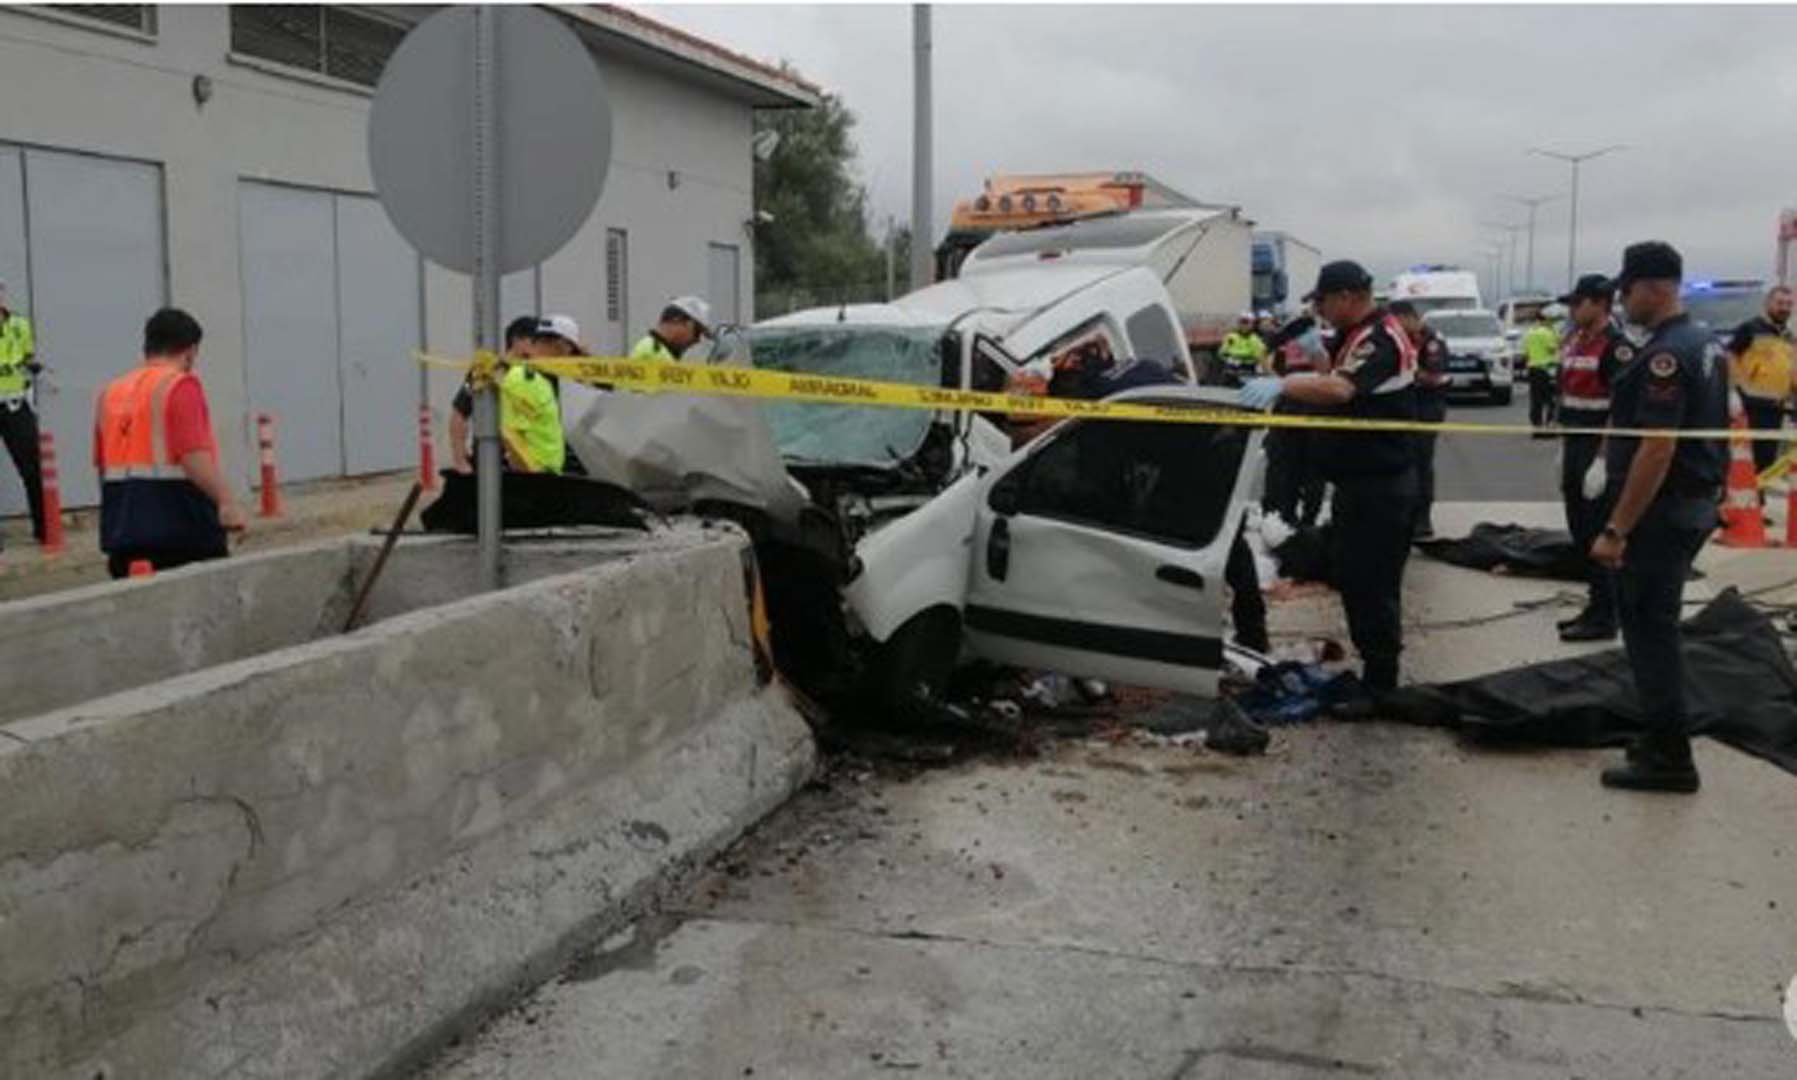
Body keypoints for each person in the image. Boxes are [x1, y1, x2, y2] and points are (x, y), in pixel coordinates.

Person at [1238, 260, 1419, 698]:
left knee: (1372, 586)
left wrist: (1284, 385)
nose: (1319, 310)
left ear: (1346, 297)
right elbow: (1335, 377)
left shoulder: (1381, 338)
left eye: (1322, 301)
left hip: (1381, 487)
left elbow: (1341, 391)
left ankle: (1381, 687)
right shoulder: (1355, 336)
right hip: (1359, 485)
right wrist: (1313, 356)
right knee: (1356, 579)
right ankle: (1375, 676)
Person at [1591, 241, 1728, 793]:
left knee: (1650, 632)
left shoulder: (1665, 355)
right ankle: (1657, 736)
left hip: (1661, 514)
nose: (1624, 302)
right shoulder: (1706, 344)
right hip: (1689, 504)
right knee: (1655, 627)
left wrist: (1616, 527)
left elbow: (1657, 448)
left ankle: (1670, 757)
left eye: (1627, 291)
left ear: (1654, 287)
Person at [1040, 345, 1270, 654]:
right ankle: (1249, 631)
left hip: (1200, 462)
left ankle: (1184, 636)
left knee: (1171, 542)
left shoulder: (1101, 398)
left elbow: (1099, 475)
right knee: (1227, 542)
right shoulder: (1134, 366)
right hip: (1218, 446)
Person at [93, 308, 245, 578]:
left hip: (123, 531)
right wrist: (226, 502)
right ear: (190, 351)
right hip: (181, 529)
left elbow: (103, 465)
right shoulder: (180, 386)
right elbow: (192, 456)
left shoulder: (111, 392)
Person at [1554, 274, 1632, 643]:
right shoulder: (1574, 340)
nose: (1572, 309)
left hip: (1600, 449)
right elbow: (1566, 394)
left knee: (1597, 529)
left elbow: (1621, 410)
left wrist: (1602, 459)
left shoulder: (1616, 347)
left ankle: (1606, 614)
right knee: (1579, 530)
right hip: (1574, 441)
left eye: (1577, 303)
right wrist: (1563, 445)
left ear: (1600, 303)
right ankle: (1596, 603)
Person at [1259, 308, 1328, 527]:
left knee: (1294, 467)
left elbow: (1265, 359)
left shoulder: (1297, 342)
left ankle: (1292, 517)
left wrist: (1276, 379)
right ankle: (1298, 517)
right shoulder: (1322, 341)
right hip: (1305, 405)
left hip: (1298, 405)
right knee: (1303, 468)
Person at [451, 315, 538, 473]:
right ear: (517, 340)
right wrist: (460, 460)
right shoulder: (487, 370)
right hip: (490, 459)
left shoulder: (536, 373)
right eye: (534, 341)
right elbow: (459, 414)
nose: (538, 349)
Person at [1391, 300, 1448, 538]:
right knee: (1403, 463)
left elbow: (1433, 375)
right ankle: (1404, 515)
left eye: (1399, 323)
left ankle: (1423, 518)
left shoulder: (1432, 340)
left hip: (1427, 407)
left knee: (1422, 464)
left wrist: (1409, 370)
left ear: (1409, 317)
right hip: (1404, 407)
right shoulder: (1400, 339)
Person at [1724, 283, 1794, 477]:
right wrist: (1734, 388)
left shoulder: (1789, 337)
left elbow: (1791, 371)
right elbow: (1730, 355)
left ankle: (1759, 501)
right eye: (1780, 303)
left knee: (1767, 460)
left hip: (1776, 408)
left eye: (1789, 304)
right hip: (1751, 406)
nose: (1785, 308)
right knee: (1747, 459)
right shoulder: (1750, 328)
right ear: (1768, 303)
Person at [0, 281, 46, 549]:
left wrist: (31, 366)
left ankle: (43, 529)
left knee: (32, 467)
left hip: (15, 404)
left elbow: (26, 356)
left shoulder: (19, 324)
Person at [632, 296, 712, 361]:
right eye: (697, 332)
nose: (697, 340)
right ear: (677, 320)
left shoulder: (655, 349)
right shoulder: (653, 352)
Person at [1522, 307, 1562, 432]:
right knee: (1550, 399)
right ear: (1545, 320)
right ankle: (1549, 424)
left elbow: (1526, 353)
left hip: (1533, 368)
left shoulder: (1529, 333)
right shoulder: (1547, 332)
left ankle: (1536, 426)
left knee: (1535, 399)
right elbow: (1552, 349)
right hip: (1547, 369)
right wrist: (1557, 339)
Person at [1217, 313, 1269, 385]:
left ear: (1252, 324)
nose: (1244, 325)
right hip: (1231, 370)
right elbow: (1221, 353)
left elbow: (1261, 358)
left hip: (1247, 372)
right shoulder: (1231, 337)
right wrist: (1231, 358)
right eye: (1242, 322)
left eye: (1247, 322)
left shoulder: (1255, 340)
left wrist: (1267, 374)